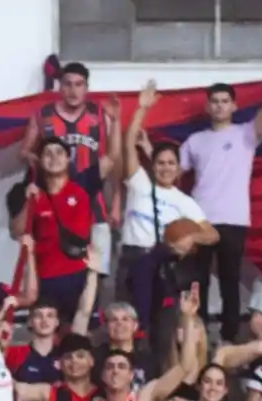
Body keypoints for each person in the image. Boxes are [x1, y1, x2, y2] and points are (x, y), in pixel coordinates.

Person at [181, 66, 262, 340]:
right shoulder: (195, 140)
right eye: (215, 101)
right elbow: (170, 173)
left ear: (234, 106)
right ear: (207, 106)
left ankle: (228, 339)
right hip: (200, 219)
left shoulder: (246, 134)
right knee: (197, 283)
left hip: (234, 219)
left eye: (225, 101)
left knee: (229, 282)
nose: (220, 106)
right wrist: (145, 151)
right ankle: (198, 337)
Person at [118, 83, 218, 342]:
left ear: (178, 168)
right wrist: (142, 108)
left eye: (171, 163)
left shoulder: (184, 201)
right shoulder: (139, 181)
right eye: (160, 163)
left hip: (162, 264)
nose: (165, 168)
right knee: (126, 326)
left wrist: (191, 238)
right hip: (132, 259)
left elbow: (212, 234)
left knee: (161, 330)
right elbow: (129, 143)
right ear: (153, 164)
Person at [84, 286, 206, 401]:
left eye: (125, 319)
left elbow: (185, 367)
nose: (115, 372)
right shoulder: (96, 360)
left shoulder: (149, 361)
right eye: (113, 320)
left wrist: (188, 317)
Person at [21, 62, 119, 294]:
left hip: (93, 200)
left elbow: (114, 160)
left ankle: (91, 322)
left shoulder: (99, 114)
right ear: (59, 87)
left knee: (97, 274)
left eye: (79, 85)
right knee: (53, 270)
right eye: (67, 85)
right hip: (54, 203)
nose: (73, 91)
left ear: (87, 87)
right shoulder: (43, 115)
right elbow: (24, 151)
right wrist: (42, 165)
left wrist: (116, 202)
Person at [15, 137, 96, 321]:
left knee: (78, 331)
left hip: (76, 274)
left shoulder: (79, 194)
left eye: (59, 153)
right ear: (40, 161)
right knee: (48, 331)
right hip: (45, 277)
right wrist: (28, 203)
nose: (54, 157)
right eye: (47, 154)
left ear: (68, 159)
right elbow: (19, 231)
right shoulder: (34, 196)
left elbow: (80, 234)